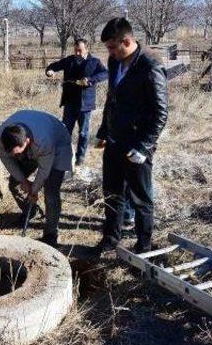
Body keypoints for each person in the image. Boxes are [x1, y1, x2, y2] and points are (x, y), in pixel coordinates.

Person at [95, 17, 168, 254]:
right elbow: (111, 98)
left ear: (126, 41)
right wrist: (104, 130)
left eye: (112, 47)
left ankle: (144, 246)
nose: (110, 52)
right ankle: (110, 239)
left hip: (136, 145)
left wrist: (144, 147)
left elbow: (160, 112)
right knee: (112, 193)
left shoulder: (150, 66)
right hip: (115, 141)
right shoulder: (115, 62)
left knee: (141, 199)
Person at [0, 109, 72, 247]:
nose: (15, 156)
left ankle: (51, 235)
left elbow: (44, 171)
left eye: (17, 153)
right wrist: (23, 181)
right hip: (34, 147)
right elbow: (6, 159)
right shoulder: (2, 136)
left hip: (58, 144)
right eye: (13, 154)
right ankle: (31, 211)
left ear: (27, 141)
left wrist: (34, 191)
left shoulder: (44, 140)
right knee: (15, 183)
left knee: (51, 191)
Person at [45, 38, 108, 165]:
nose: (77, 53)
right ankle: (63, 156)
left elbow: (105, 73)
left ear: (87, 49)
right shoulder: (69, 60)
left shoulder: (94, 62)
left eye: (80, 50)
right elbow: (54, 66)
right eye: (75, 50)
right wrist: (50, 71)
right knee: (65, 131)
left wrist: (90, 80)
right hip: (69, 102)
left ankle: (80, 159)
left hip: (85, 104)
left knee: (83, 133)